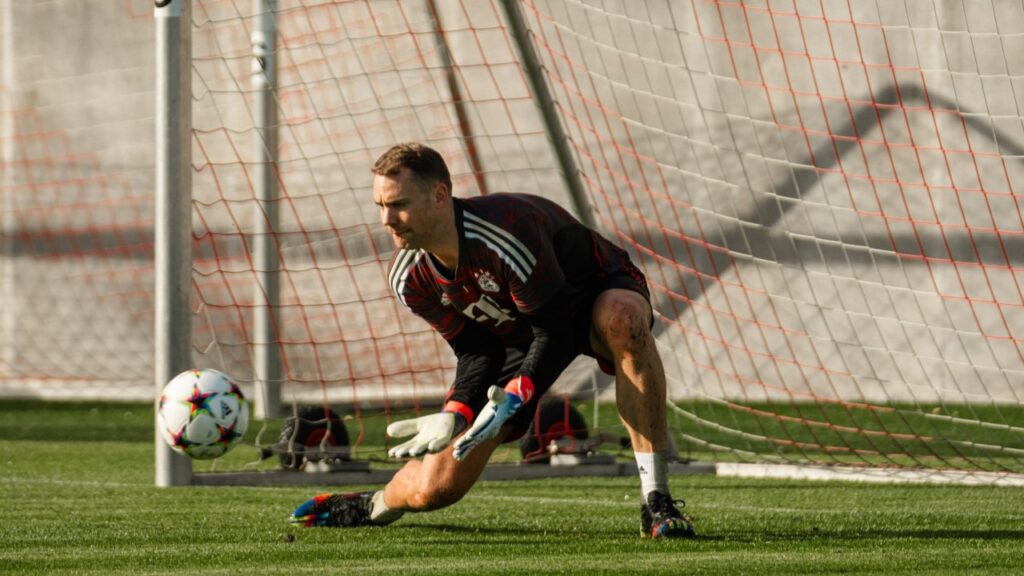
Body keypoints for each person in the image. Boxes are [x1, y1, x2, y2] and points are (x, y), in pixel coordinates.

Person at [290, 142, 695, 539]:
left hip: (589, 299)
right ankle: (374, 504)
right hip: (525, 333)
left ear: (439, 195)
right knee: (437, 487)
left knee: (622, 319)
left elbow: (558, 328)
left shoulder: (505, 235)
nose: (387, 219)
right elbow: (476, 349)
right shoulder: (410, 278)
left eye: (398, 204)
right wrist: (457, 411)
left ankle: (656, 501)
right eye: (380, 206)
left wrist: (520, 391)